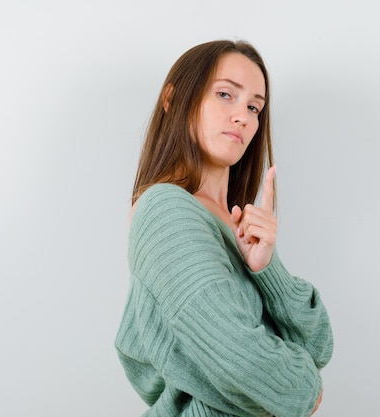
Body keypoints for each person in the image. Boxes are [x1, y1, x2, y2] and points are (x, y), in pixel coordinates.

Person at [115, 39, 334, 417]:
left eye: (254, 107)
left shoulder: (235, 223)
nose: (244, 117)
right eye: (224, 94)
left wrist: (267, 269)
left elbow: (318, 345)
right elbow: (241, 359)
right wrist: (306, 390)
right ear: (173, 100)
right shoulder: (166, 212)